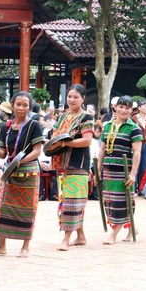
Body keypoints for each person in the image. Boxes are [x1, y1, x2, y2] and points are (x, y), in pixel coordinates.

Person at [0, 92, 44, 258]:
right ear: (12, 105)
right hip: (10, 172)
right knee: (3, 208)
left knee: (27, 209)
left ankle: (25, 247)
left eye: (25, 105)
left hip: (28, 173)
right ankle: (1, 246)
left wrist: (21, 160)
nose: (21, 108)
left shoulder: (34, 125)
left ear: (29, 107)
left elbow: (37, 151)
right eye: (18, 104)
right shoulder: (6, 127)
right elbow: (3, 153)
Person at [50, 84, 94, 251]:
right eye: (69, 96)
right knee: (70, 201)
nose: (72, 100)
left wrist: (66, 142)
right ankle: (80, 236)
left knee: (72, 201)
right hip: (62, 163)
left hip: (78, 163)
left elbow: (87, 140)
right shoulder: (62, 117)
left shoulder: (86, 117)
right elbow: (54, 136)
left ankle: (66, 239)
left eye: (76, 97)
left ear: (83, 99)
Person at [98, 96, 142, 245]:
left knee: (121, 201)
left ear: (131, 110)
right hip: (109, 169)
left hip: (124, 170)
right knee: (110, 201)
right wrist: (98, 170)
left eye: (127, 108)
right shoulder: (108, 126)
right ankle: (131, 227)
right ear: (115, 107)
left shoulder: (134, 128)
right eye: (121, 106)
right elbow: (102, 149)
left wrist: (133, 173)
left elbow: (137, 152)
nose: (123, 110)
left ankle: (114, 234)